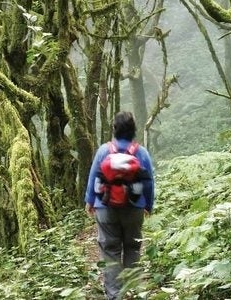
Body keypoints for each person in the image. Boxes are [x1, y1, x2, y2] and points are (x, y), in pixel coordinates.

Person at [84, 111, 155, 300]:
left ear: (114, 130)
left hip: (105, 207)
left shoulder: (103, 151)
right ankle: (132, 291)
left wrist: (90, 201)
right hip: (134, 207)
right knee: (132, 247)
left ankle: (114, 296)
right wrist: (148, 204)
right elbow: (149, 182)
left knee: (110, 251)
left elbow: (93, 177)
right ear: (133, 131)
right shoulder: (141, 152)